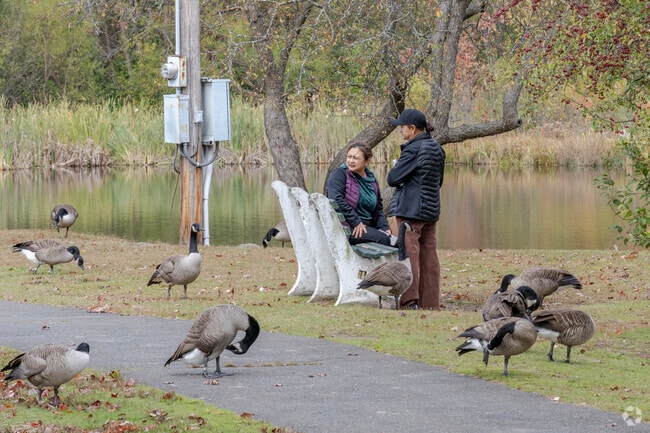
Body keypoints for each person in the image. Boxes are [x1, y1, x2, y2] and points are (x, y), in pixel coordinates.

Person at [387, 109, 445, 310]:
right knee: (429, 255)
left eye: (402, 127)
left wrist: (396, 167)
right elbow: (439, 181)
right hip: (431, 210)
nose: (401, 131)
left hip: (411, 210)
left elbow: (393, 178)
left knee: (410, 254)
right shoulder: (437, 148)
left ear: (412, 129)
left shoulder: (413, 149)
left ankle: (410, 300)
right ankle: (431, 302)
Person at [327, 142, 392, 246]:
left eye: (356, 158)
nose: (351, 161)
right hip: (348, 226)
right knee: (383, 239)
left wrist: (384, 227)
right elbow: (336, 200)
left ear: (367, 161)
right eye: (349, 157)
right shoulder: (339, 174)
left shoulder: (371, 179)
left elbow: (378, 209)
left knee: (397, 241)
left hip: (368, 226)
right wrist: (356, 222)